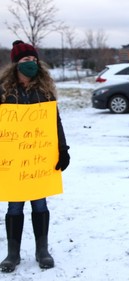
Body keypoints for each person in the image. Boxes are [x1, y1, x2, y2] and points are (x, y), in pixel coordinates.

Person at [0, 40, 70, 272]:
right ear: (15, 65)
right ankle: (13, 253)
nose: (31, 64)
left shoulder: (44, 90)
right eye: (25, 60)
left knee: (40, 204)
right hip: (14, 162)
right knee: (14, 207)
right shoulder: (3, 91)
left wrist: (63, 149)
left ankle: (42, 250)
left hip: (38, 161)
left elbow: (54, 122)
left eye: (33, 60)